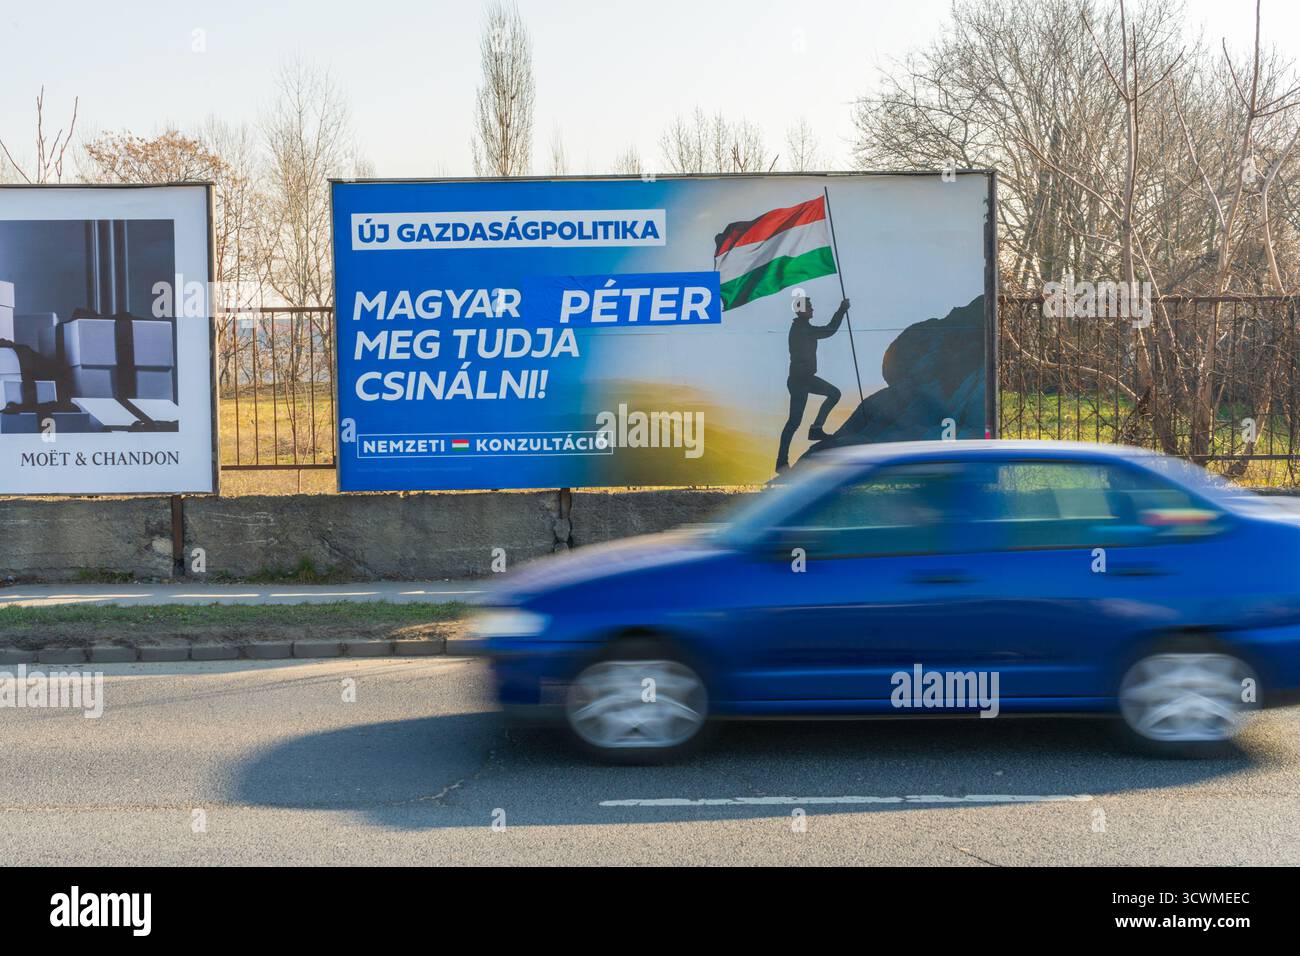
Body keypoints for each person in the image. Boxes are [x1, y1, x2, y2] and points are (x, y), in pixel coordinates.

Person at [776, 295, 850, 472]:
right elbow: (830, 329)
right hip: (801, 380)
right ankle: (782, 461)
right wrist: (841, 310)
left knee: (832, 395)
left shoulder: (803, 327)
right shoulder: (802, 329)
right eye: (809, 306)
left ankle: (815, 429)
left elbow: (828, 330)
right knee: (794, 422)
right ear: (801, 310)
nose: (812, 309)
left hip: (803, 378)